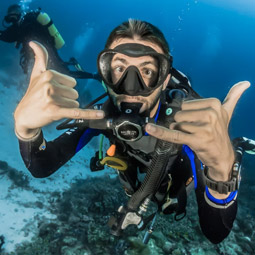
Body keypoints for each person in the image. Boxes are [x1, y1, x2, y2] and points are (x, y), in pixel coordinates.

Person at [14, 19, 251, 244]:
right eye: (119, 69)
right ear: (105, 74)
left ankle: (236, 148)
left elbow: (216, 232)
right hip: (138, 182)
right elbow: (41, 164)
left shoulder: (187, 128)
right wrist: (26, 130)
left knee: (219, 159)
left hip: (174, 185)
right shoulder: (101, 114)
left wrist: (221, 173)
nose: (131, 87)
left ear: (165, 78)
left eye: (147, 71)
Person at [0, 4, 100, 80]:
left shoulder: (28, 20)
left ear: (19, 12)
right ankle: (71, 63)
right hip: (41, 53)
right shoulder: (21, 25)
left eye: (13, 12)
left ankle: (94, 76)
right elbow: (9, 35)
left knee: (64, 73)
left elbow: (11, 35)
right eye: (10, 13)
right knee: (50, 74)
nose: (11, 16)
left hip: (47, 51)